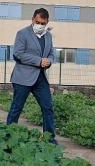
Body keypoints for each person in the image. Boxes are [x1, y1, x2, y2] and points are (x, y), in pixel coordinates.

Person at [6, 8, 57, 143]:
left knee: (48, 107)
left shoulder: (48, 36)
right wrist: (38, 61)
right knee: (17, 108)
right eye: (38, 22)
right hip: (23, 77)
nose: (40, 25)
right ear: (33, 19)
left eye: (43, 23)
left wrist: (49, 61)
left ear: (47, 22)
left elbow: (52, 54)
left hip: (40, 78)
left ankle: (49, 138)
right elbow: (18, 54)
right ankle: (8, 135)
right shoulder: (22, 34)